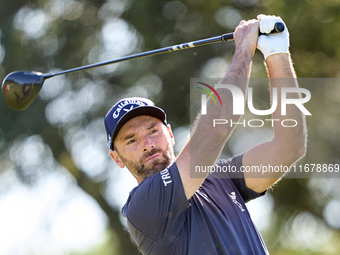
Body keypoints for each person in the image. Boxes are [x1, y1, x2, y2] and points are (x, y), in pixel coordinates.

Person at [104, 14, 307, 255]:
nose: (147, 144)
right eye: (131, 140)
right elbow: (217, 128)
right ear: (116, 158)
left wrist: (276, 54)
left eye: (153, 130)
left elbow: (289, 148)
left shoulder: (221, 178)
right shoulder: (142, 207)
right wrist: (244, 50)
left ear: (170, 134)